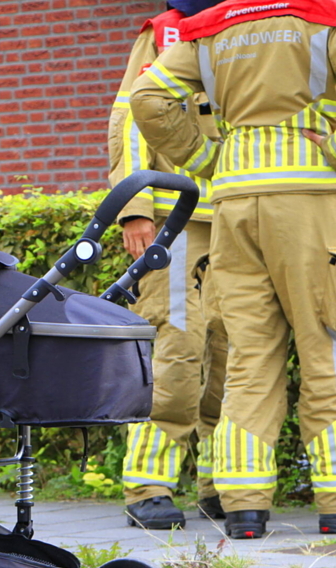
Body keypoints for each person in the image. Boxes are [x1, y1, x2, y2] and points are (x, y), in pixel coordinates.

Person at [130, 0, 336, 538]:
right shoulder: (323, 14)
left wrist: (208, 160)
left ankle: (243, 507)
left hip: (233, 202)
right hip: (312, 198)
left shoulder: (213, 25)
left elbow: (147, 96)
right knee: (326, 343)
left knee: (249, 357)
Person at [108, 3, 229, 529]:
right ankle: (148, 486)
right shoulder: (166, 32)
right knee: (177, 351)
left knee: (234, 357)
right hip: (176, 223)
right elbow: (132, 117)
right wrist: (136, 209)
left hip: (241, 220)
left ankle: (221, 484)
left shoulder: (254, 26)